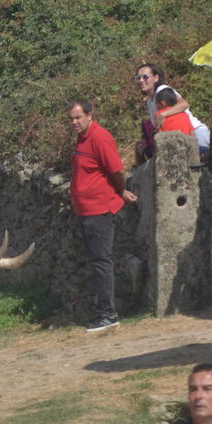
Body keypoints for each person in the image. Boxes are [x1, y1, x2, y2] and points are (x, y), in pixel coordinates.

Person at [69, 99, 136, 333]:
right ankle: (103, 311)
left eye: (78, 117)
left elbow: (117, 170)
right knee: (97, 261)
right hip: (87, 210)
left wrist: (120, 191)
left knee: (101, 261)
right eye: (72, 118)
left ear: (89, 115)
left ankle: (108, 314)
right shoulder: (82, 138)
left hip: (100, 210)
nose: (75, 122)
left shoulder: (99, 137)